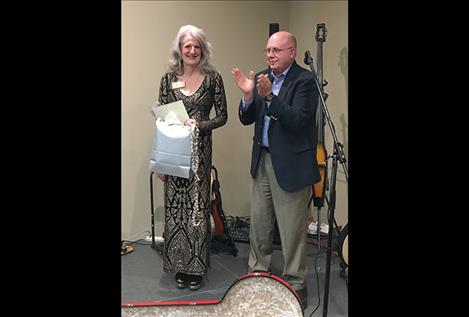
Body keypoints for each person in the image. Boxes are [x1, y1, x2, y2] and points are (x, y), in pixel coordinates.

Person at [231, 31, 320, 307]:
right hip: (263, 161)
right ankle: (258, 274)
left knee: (292, 229)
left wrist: (269, 97)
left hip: (291, 165)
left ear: (292, 52)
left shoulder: (305, 80)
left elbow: (300, 121)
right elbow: (247, 119)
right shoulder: (260, 77)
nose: (270, 55)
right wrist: (248, 97)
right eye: (268, 50)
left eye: (276, 50)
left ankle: (295, 283)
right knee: (259, 225)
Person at [156, 24, 227, 291]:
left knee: (197, 210)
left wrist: (199, 124)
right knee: (176, 210)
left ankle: (196, 268)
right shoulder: (167, 79)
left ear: (203, 50)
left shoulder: (213, 79)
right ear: (180, 49)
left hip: (200, 154)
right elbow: (162, 118)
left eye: (197, 46)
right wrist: (160, 162)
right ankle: (179, 265)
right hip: (173, 153)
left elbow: (222, 116)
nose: (192, 50)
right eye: (187, 46)